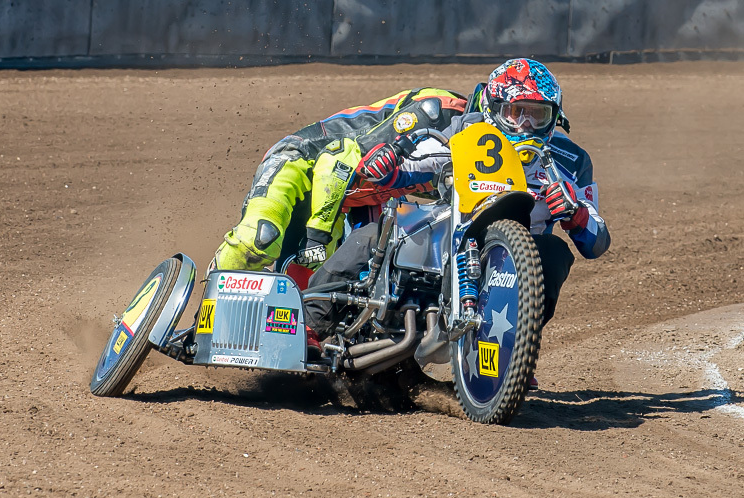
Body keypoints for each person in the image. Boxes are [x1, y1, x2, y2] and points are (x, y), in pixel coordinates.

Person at [304, 59, 611, 387]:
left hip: (514, 259)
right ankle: (308, 325)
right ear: (494, 108)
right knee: (376, 234)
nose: (524, 124)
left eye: (536, 114)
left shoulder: (571, 161)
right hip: (442, 236)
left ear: (554, 117)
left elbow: (597, 241)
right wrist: (388, 164)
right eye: (515, 111)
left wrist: (576, 214)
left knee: (554, 251)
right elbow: (414, 163)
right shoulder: (466, 131)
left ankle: (511, 351)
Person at [208, 88, 467, 274]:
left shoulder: (484, 161)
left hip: (352, 197)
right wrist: (317, 236)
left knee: (333, 279)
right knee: (261, 238)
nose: (510, 129)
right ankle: (208, 310)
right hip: (305, 159)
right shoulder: (438, 112)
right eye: (507, 113)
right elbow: (338, 158)